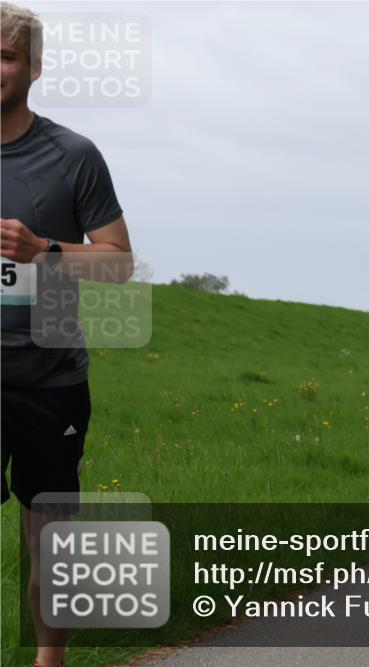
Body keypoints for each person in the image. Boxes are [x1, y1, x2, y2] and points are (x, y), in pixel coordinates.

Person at [1, 4, 134, 666]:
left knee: (50, 543)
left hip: (50, 379)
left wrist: (43, 250)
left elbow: (117, 262)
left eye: (5, 56)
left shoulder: (73, 155)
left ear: (35, 68)